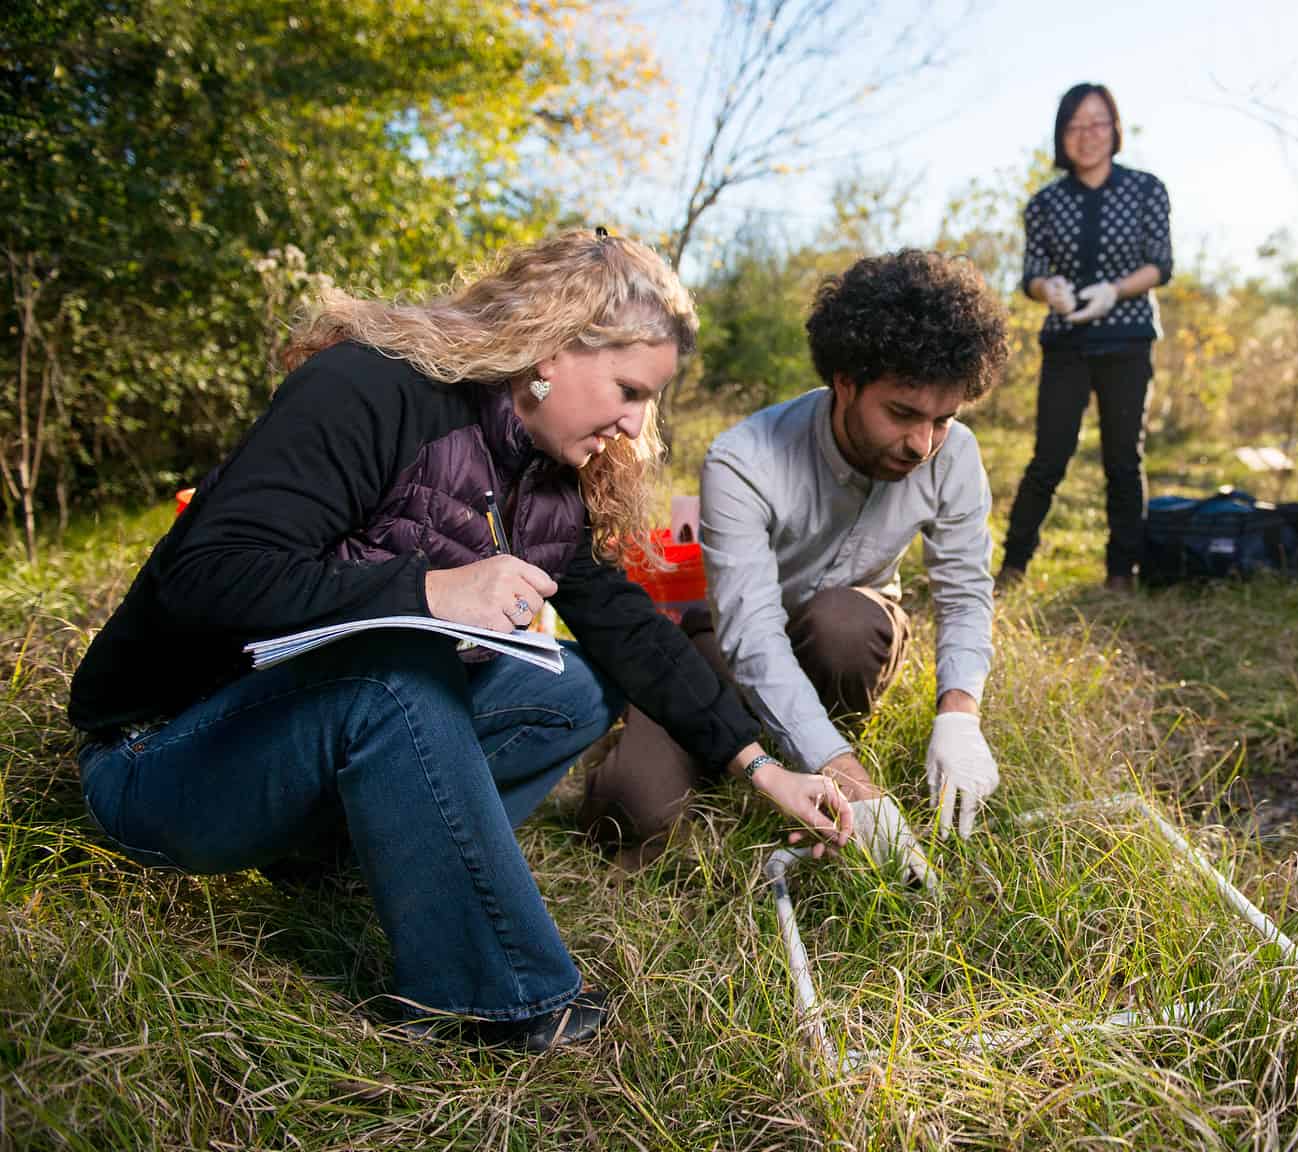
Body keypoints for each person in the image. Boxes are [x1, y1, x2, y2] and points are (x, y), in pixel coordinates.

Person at [67, 229, 850, 1052]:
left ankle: (354, 860)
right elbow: (208, 574)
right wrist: (428, 590)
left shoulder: (551, 478)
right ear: (551, 346)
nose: (634, 424)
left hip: (294, 754)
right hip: (163, 759)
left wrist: (759, 767)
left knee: (574, 685)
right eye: (628, 389)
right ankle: (498, 1001)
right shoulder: (369, 390)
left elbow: (628, 630)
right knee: (394, 679)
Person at [577, 250, 1010, 884]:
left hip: (842, 631)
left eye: (943, 419)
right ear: (845, 383)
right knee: (632, 809)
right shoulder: (743, 460)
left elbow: (965, 591)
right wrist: (849, 777)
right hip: (725, 640)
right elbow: (749, 633)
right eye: (902, 414)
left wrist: (959, 715)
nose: (923, 445)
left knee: (844, 625)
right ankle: (721, 744)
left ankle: (809, 734)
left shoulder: (955, 456)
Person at [997, 82, 1173, 592]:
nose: (1087, 135)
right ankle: (1013, 566)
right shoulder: (1045, 203)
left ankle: (1122, 571)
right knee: (1048, 457)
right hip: (1066, 344)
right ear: (1062, 135)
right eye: (1075, 126)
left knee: (1123, 458)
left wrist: (1114, 292)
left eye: (1097, 123)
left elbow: (1161, 264)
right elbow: (1030, 273)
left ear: (1114, 129)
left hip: (1128, 339)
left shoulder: (1146, 189)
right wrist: (1046, 287)